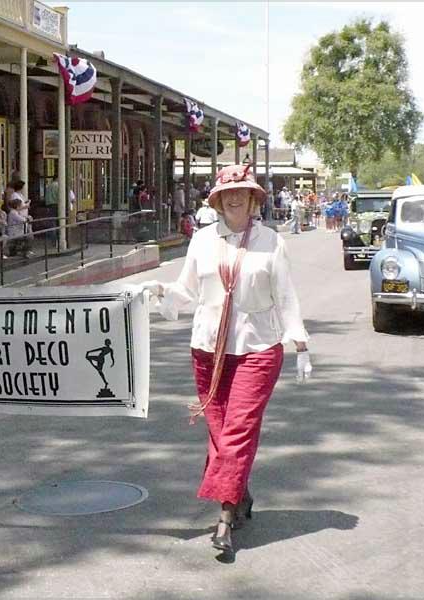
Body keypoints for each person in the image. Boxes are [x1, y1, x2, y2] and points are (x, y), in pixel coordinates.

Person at [141, 163, 311, 556]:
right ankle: (241, 491)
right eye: (227, 193)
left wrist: (299, 342)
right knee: (219, 431)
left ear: (254, 199)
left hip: (258, 348)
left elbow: (285, 295)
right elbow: (186, 292)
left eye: (243, 192)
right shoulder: (202, 240)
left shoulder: (271, 241)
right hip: (207, 348)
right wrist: (158, 292)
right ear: (217, 200)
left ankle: (225, 516)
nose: (235, 198)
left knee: (238, 431)